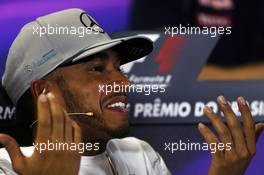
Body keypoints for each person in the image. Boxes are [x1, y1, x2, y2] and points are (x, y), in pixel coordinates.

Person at [0, 8, 263, 175]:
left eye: (119, 69)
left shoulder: (138, 155)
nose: (125, 84)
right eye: (98, 69)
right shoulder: (8, 166)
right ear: (45, 91)